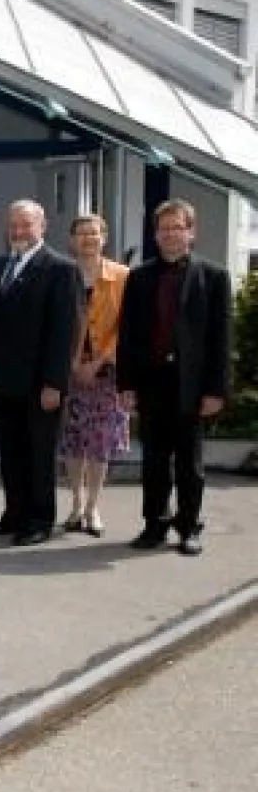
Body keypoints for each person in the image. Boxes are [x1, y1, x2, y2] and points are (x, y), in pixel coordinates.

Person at [117, 199, 231, 556]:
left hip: (192, 386)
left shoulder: (213, 277)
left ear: (191, 232)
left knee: (189, 465)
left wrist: (215, 389)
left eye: (177, 228)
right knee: (153, 462)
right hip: (152, 383)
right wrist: (127, 385)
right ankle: (154, 525)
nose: (170, 235)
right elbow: (129, 335)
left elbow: (220, 339)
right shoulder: (138, 277)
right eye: (164, 229)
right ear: (156, 234)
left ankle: (189, 527)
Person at [0, 200, 81, 546]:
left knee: (38, 454)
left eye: (26, 225)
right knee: (11, 451)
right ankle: (14, 514)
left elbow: (64, 331)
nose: (18, 231)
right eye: (13, 225)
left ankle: (39, 520)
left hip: (40, 384)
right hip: (4, 382)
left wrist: (55, 383)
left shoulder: (61, 268)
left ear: (42, 226)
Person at [58, 214, 130, 538]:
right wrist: (73, 363)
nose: (88, 238)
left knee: (99, 443)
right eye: (82, 233)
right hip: (68, 371)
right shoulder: (61, 274)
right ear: (72, 240)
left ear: (105, 237)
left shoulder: (123, 276)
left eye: (95, 233)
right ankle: (75, 502)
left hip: (107, 370)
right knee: (73, 440)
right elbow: (56, 325)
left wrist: (98, 362)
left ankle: (93, 506)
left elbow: (127, 327)